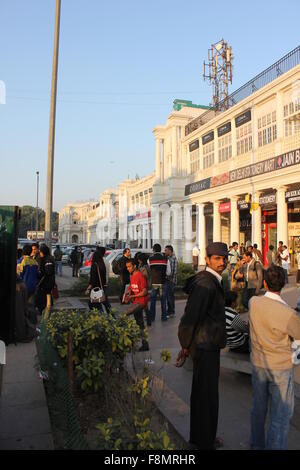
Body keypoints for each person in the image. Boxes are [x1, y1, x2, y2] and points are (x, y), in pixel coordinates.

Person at [177, 242, 228, 450]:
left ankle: (201, 437)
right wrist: (186, 345)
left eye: (224, 258)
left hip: (206, 343)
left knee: (202, 394)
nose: (222, 262)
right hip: (205, 345)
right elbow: (191, 317)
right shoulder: (206, 284)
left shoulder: (210, 281)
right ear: (207, 260)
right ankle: (204, 441)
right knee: (206, 396)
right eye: (216, 258)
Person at [249, 265, 300, 450]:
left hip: (258, 363)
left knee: (258, 409)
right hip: (280, 367)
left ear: (264, 283)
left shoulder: (253, 303)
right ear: (285, 284)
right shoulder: (289, 314)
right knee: (280, 415)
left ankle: (256, 445)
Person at [124, 258, 149, 351]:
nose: (128, 269)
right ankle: (145, 344)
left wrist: (131, 297)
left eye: (129, 267)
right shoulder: (132, 276)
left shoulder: (140, 276)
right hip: (136, 301)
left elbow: (145, 292)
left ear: (134, 266)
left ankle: (128, 342)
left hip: (141, 302)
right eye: (127, 267)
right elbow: (131, 288)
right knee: (140, 324)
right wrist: (128, 294)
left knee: (124, 315)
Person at [148, 243, 170, 322]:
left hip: (154, 283)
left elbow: (149, 270)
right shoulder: (165, 259)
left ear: (153, 250)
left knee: (153, 300)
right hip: (163, 282)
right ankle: (164, 317)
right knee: (163, 300)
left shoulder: (150, 259)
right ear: (160, 250)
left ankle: (152, 317)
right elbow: (168, 272)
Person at [35, 244, 56, 315]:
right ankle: (46, 312)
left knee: (46, 300)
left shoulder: (48, 259)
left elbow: (48, 272)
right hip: (46, 283)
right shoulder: (46, 258)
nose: (39, 253)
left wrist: (41, 272)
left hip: (46, 284)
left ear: (43, 252)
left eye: (40, 252)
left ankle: (46, 315)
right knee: (46, 300)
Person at [137, 252, 152, 327]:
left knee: (143, 305)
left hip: (144, 288)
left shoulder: (143, 267)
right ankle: (148, 321)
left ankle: (143, 321)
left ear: (140, 260)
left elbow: (144, 276)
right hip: (145, 287)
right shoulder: (146, 266)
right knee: (145, 305)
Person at [165, 245, 178, 318]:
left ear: (170, 250)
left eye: (166, 250)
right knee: (168, 296)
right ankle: (169, 310)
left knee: (170, 297)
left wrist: (170, 278)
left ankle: (171, 312)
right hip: (167, 280)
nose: (165, 251)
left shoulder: (174, 258)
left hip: (171, 280)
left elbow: (175, 271)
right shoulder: (167, 258)